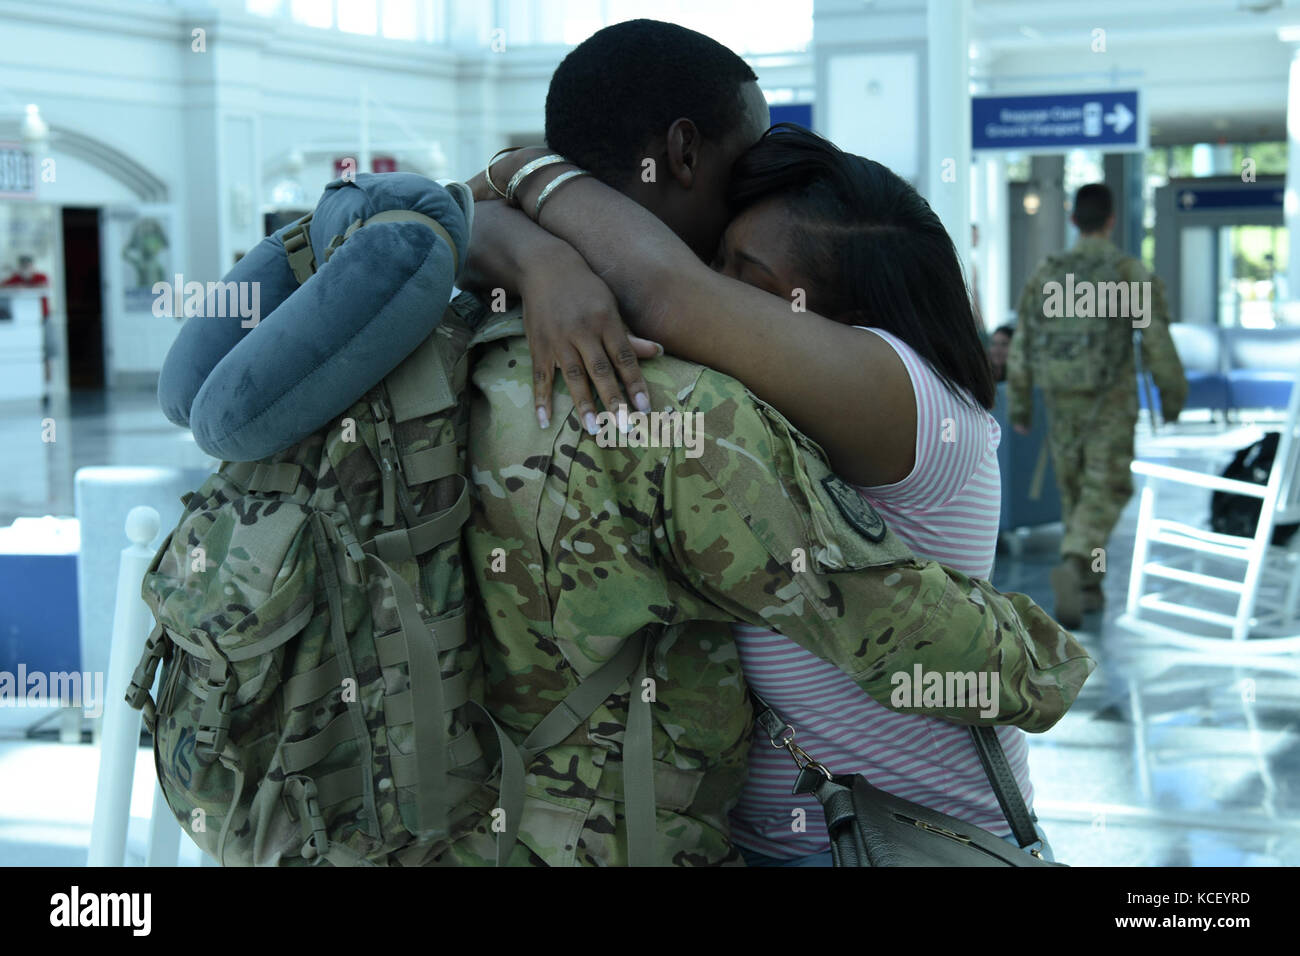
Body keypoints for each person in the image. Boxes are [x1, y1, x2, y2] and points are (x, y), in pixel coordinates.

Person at [157, 20, 1094, 866]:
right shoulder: (678, 408)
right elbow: (942, 644)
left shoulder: (432, 346)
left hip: (856, 837)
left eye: (747, 277)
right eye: (742, 163)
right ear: (685, 152)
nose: (717, 288)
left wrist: (527, 224)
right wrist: (1052, 662)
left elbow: (638, 281)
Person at [1007, 183, 1187, 628]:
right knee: (1107, 487)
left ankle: (1089, 588)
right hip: (1111, 398)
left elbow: (1021, 342)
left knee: (1075, 490)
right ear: (1110, 220)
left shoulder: (1048, 273)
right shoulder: (1125, 272)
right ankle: (1075, 561)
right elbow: (1157, 338)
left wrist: (1020, 406)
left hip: (1059, 398)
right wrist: (1172, 394)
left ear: (1073, 220)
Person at [2, 254, 53, 382]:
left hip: (43, 318)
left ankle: (47, 382)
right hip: (24, 323)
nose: (25, 269)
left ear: (32, 266)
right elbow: (3, 287)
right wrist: (15, 287)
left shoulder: (40, 276)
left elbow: (44, 287)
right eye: (23, 266)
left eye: (27, 266)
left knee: (47, 351)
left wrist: (26, 288)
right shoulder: (15, 278)